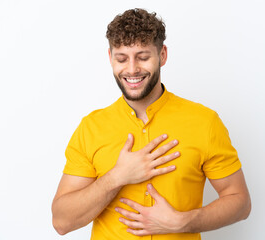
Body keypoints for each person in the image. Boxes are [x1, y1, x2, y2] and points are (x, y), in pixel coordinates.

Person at [52, 8, 251, 240]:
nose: (132, 69)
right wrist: (116, 177)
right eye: (122, 58)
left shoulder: (204, 122)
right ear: (110, 58)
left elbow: (240, 201)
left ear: (163, 55)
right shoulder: (91, 128)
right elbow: (61, 222)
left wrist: (183, 222)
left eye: (143, 57)